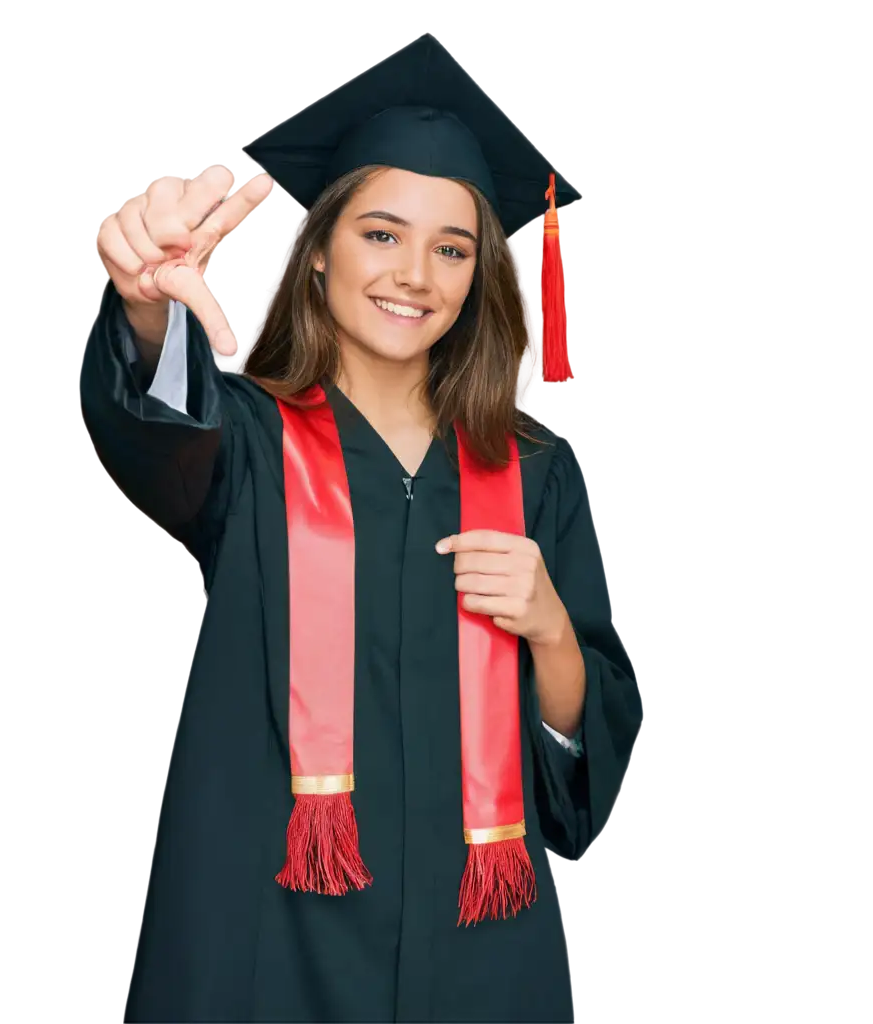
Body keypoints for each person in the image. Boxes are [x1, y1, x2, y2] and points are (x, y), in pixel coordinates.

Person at [75, 32, 643, 1024]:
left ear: (476, 274)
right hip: (274, 949)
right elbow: (162, 445)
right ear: (323, 247)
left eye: (451, 246)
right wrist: (148, 310)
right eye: (381, 233)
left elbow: (584, 762)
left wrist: (549, 625)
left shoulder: (535, 472)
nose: (414, 274)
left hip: (482, 955)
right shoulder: (251, 441)